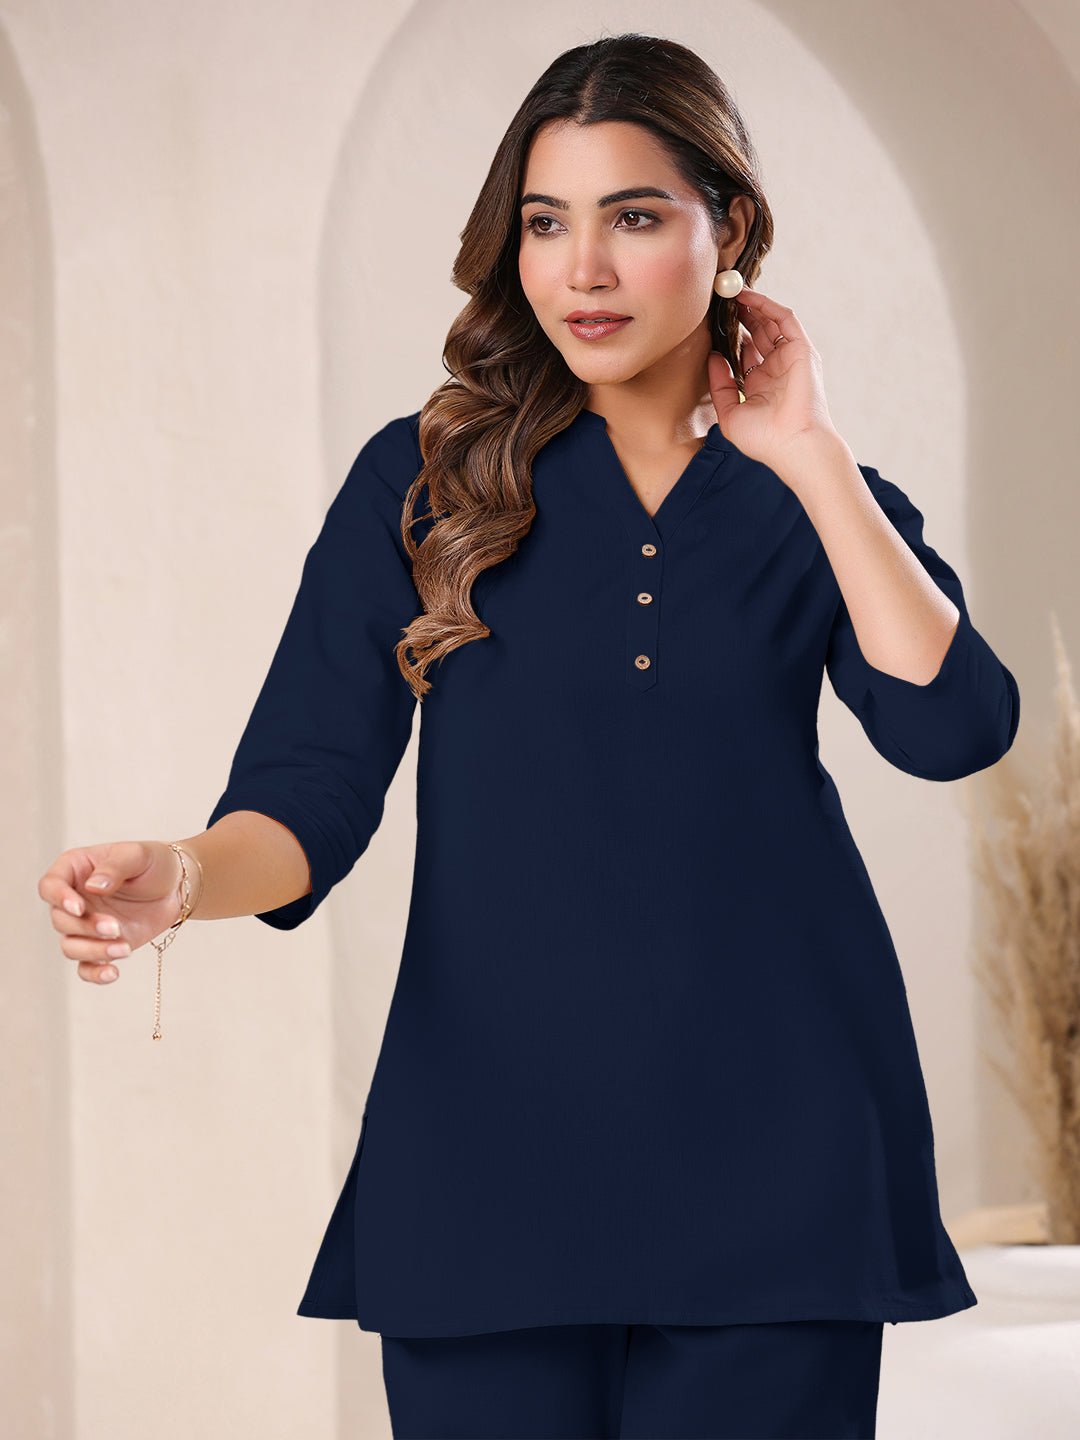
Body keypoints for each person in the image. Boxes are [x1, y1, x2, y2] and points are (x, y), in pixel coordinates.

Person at [39, 32, 1020, 1440]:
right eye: (547, 224)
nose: (584, 270)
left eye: (636, 218)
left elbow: (954, 727)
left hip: (780, 1153)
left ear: (730, 230)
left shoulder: (815, 497)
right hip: (484, 1163)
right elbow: (311, 789)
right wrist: (180, 877)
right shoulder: (424, 481)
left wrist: (810, 453)